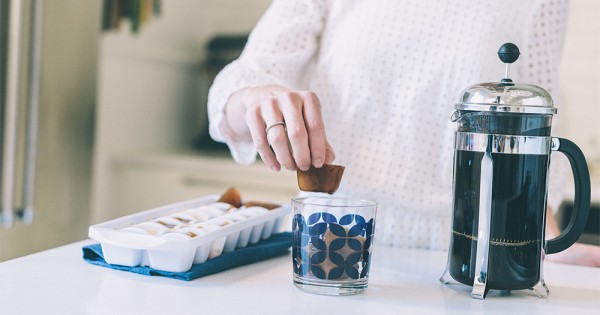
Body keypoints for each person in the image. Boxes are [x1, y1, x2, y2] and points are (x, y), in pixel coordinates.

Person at [208, 0, 599, 266]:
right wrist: (256, 98)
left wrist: (544, 245)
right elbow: (244, 80)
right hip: (331, 250)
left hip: (467, 258)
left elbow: (534, 131)